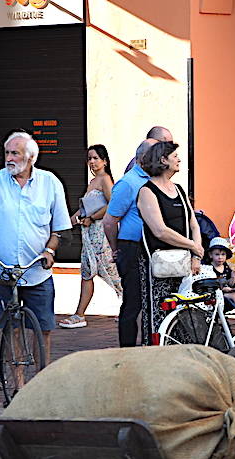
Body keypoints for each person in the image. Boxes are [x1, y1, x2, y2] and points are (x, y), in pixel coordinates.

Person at [0, 131, 71, 363]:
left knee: (43, 329)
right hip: (2, 271)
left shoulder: (50, 182)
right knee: (10, 330)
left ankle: (40, 382)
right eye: (7, 153)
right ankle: (17, 386)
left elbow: (61, 227)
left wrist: (50, 250)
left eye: (15, 153)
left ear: (31, 157)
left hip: (37, 272)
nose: (9, 158)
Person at [137, 141, 203, 344]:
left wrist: (196, 256)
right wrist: (192, 246)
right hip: (158, 266)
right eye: (175, 156)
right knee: (158, 315)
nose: (179, 159)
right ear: (163, 160)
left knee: (184, 315)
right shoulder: (147, 191)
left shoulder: (180, 190)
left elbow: (194, 225)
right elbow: (160, 230)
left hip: (183, 264)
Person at [103, 138, 160, 346]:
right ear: (143, 158)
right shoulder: (128, 183)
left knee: (149, 304)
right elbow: (109, 222)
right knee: (133, 303)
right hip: (132, 248)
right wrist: (116, 249)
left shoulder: (152, 180)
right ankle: (127, 351)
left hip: (149, 249)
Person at [58, 145, 122, 329]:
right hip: (89, 235)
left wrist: (91, 218)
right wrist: (70, 220)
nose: (92, 162)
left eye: (95, 158)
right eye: (89, 159)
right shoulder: (93, 181)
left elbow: (112, 205)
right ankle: (79, 314)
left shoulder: (105, 180)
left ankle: (133, 305)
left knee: (111, 272)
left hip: (100, 235)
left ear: (105, 161)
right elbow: (87, 208)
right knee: (87, 272)